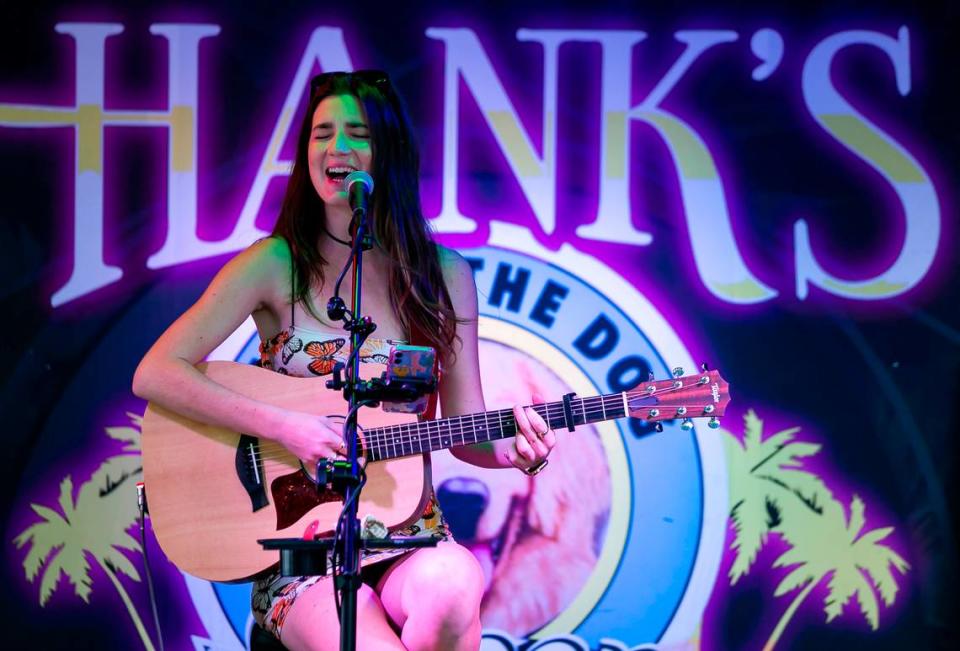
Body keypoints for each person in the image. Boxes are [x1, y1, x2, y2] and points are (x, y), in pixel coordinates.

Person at [132, 70, 555, 651]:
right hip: (302, 548)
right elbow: (157, 371)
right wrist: (286, 428)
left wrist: (516, 455)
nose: (336, 149)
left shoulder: (444, 276)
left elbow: (467, 431)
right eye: (321, 134)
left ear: (389, 152)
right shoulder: (273, 263)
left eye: (356, 134)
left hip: (411, 530)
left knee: (457, 586)